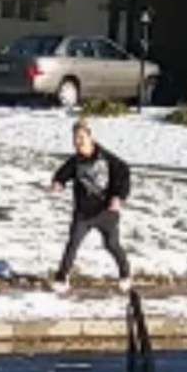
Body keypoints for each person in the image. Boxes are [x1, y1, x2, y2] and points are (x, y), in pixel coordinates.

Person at [49, 118, 132, 293]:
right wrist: (58, 183)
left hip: (106, 211)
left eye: (81, 138)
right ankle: (61, 278)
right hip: (83, 213)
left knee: (112, 245)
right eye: (75, 139)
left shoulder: (106, 158)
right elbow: (63, 173)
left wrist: (118, 197)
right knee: (73, 243)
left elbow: (124, 173)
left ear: (90, 137)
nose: (78, 142)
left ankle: (125, 273)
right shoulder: (76, 161)